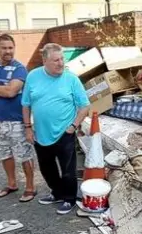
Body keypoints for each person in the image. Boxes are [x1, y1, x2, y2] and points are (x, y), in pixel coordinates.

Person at [21, 43, 90, 215]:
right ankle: (57, 193)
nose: (61, 63)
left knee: (68, 171)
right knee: (47, 168)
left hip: (64, 132)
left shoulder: (71, 79)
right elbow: (25, 104)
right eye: (55, 60)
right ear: (44, 60)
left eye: (62, 59)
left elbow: (84, 106)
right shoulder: (33, 76)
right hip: (40, 133)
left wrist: (73, 126)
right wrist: (28, 128)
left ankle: (69, 199)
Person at [0, 34, 37, 201]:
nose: (8, 51)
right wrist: (1, 89)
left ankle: (30, 187)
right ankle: (12, 183)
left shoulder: (20, 69)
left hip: (16, 120)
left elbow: (11, 92)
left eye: (10, 48)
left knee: (24, 155)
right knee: (4, 154)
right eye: (4, 48)